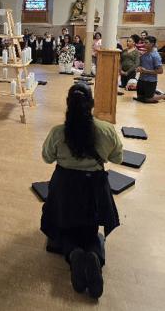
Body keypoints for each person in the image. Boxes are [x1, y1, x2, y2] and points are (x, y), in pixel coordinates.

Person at [41, 84, 122, 299]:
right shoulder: (106, 130)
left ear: (68, 105)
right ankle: (93, 255)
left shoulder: (58, 132)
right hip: (94, 190)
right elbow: (117, 158)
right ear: (91, 104)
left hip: (65, 190)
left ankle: (74, 255)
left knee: (64, 230)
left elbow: (47, 157)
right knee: (89, 231)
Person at [135, 36, 165, 103]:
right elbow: (140, 66)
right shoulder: (144, 55)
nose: (144, 44)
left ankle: (163, 96)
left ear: (152, 44)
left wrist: (146, 71)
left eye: (146, 43)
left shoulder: (155, 56)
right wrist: (138, 68)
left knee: (148, 99)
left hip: (150, 81)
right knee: (140, 98)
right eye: (143, 42)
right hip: (141, 80)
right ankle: (154, 93)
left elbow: (160, 71)